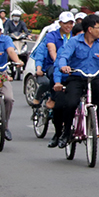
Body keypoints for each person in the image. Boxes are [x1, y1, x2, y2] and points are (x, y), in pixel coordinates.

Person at [53, 14, 99, 148]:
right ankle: (66, 133)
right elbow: (64, 57)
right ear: (90, 29)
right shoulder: (74, 42)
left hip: (94, 77)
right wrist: (64, 66)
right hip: (77, 77)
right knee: (71, 103)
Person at [34, 12, 74, 147]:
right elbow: (51, 51)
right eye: (66, 23)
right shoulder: (52, 35)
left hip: (71, 70)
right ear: (60, 24)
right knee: (52, 76)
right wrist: (60, 63)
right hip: (55, 66)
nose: (68, 26)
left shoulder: (75, 36)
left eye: (71, 23)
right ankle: (52, 96)